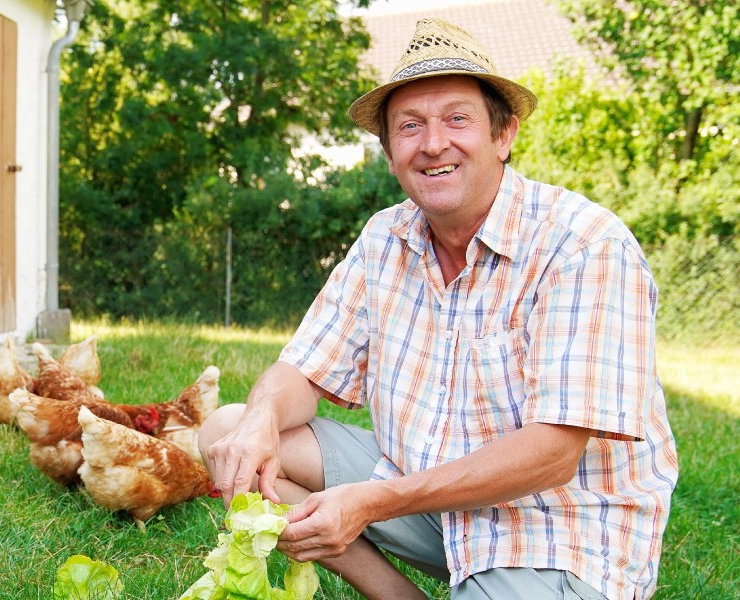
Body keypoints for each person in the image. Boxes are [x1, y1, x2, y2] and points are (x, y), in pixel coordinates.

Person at [198, 18, 678, 600]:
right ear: (390, 152)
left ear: (504, 136)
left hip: (560, 525)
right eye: (410, 126)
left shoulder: (583, 244)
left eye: (457, 119)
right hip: (434, 500)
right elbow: (302, 370)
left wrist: (371, 501)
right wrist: (259, 421)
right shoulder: (385, 238)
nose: (432, 144)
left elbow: (553, 456)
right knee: (232, 429)